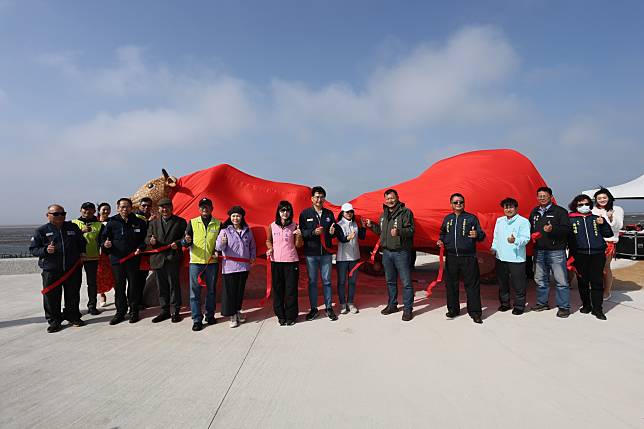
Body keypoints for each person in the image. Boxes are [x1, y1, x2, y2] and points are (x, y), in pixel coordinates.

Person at [29, 204, 86, 332]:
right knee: (52, 297)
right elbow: (33, 249)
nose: (60, 216)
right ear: (48, 215)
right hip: (51, 270)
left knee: (72, 294)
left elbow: (81, 241)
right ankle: (54, 320)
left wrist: (82, 252)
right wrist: (45, 250)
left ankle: (73, 316)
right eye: (56, 214)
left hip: (72, 269)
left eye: (62, 213)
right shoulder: (41, 231)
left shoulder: (72, 227)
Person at [365, 189, 415, 321]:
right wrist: (371, 226)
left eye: (392, 198)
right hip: (387, 253)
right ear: (385, 200)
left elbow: (411, 230)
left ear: (397, 198)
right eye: (387, 199)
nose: (390, 201)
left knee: (406, 282)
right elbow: (382, 233)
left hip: (401, 252)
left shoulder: (406, 212)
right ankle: (392, 305)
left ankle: (408, 309)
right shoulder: (383, 215)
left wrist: (399, 231)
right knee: (390, 281)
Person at [437, 193, 486, 324]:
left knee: (472, 286)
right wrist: (441, 241)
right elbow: (442, 233)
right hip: (452, 257)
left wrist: (477, 234)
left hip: (468, 257)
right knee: (451, 285)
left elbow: (482, 235)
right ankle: (453, 309)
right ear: (451, 204)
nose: (458, 204)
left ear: (464, 203)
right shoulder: (447, 219)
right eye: (455, 202)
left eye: (461, 202)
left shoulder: (471, 218)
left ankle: (475, 312)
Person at [100, 198, 148, 325]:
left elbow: (144, 240)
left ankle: (133, 312)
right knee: (119, 288)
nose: (124, 209)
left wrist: (140, 247)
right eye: (122, 207)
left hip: (133, 260)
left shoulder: (139, 222)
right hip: (118, 261)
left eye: (127, 207)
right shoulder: (111, 222)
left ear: (131, 208)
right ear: (117, 208)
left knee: (133, 287)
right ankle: (120, 313)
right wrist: (105, 244)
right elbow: (103, 239)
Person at [568, 194, 614, 320]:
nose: (584, 206)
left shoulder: (596, 218)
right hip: (580, 255)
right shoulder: (570, 219)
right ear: (575, 206)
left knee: (597, 282)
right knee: (582, 282)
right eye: (581, 204)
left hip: (597, 254)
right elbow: (564, 236)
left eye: (587, 204)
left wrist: (603, 223)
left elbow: (608, 234)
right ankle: (586, 305)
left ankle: (598, 309)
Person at [529, 186, 571, 318]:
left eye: (544, 196)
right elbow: (530, 228)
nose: (541, 198)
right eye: (539, 196)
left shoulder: (560, 211)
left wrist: (553, 229)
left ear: (550, 197)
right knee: (540, 280)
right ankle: (542, 303)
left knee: (561, 281)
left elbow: (567, 230)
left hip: (556, 251)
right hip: (539, 251)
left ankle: (564, 307)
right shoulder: (534, 212)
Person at [145, 197, 187, 324]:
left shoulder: (180, 222)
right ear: (158, 209)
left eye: (167, 207)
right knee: (161, 286)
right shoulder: (153, 223)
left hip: (172, 258)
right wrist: (150, 241)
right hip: (158, 259)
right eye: (162, 207)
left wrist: (178, 244)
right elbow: (146, 239)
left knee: (174, 285)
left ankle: (176, 311)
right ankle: (164, 311)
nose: (165, 209)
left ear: (172, 208)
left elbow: (185, 238)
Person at [299, 186, 338, 321]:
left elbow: (333, 232)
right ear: (312, 198)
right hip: (311, 254)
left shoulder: (329, 214)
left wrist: (333, 233)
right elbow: (301, 233)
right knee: (313, 282)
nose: (319, 199)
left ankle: (328, 307)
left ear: (324, 199)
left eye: (321, 197)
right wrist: (312, 233)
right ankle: (314, 309)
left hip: (326, 253)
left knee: (327, 281)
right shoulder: (305, 214)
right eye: (316, 196)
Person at [216, 206, 256, 328]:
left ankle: (238, 311)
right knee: (230, 293)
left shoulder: (247, 231)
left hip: (244, 267)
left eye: (238, 216)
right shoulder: (224, 231)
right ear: (230, 217)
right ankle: (232, 315)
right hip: (229, 267)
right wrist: (222, 242)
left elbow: (252, 246)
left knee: (239, 291)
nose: (235, 218)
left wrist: (253, 256)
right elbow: (218, 248)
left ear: (242, 217)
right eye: (233, 216)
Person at [184, 197, 220, 332]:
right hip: (196, 263)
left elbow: (220, 242)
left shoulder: (217, 223)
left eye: (207, 206)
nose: (204, 209)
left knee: (211, 291)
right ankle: (197, 319)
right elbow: (186, 242)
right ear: (199, 209)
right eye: (202, 207)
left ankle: (210, 316)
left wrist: (217, 250)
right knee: (195, 293)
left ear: (212, 208)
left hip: (212, 263)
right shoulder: (192, 223)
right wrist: (186, 241)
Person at [490, 197, 531, 315]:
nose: (508, 209)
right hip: (501, 257)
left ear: (516, 208)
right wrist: (494, 248)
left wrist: (515, 240)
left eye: (511, 207)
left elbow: (526, 238)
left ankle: (519, 305)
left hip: (516, 259)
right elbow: (496, 237)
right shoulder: (500, 221)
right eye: (506, 207)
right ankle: (504, 303)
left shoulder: (523, 221)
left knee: (519, 284)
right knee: (502, 283)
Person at [266, 201, 303, 326]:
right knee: (278, 290)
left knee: (291, 289)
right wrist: (270, 248)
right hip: (276, 262)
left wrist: (299, 236)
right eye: (282, 210)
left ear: (291, 212)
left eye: (287, 210)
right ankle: (280, 316)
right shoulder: (272, 226)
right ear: (278, 212)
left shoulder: (295, 225)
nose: (285, 213)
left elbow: (298, 245)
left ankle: (291, 316)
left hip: (291, 261)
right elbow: (268, 240)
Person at [71, 202, 103, 315]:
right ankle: (74, 308)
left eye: (90, 210)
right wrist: (81, 232)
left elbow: (103, 240)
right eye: (84, 210)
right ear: (80, 210)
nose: (87, 212)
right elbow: (69, 239)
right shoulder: (73, 223)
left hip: (93, 257)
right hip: (77, 258)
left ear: (94, 211)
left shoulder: (99, 224)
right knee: (75, 284)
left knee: (92, 283)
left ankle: (92, 305)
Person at [592, 188, 624, 300]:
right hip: (594, 242)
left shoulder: (616, 209)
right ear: (595, 199)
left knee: (605, 268)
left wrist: (610, 218)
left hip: (608, 242)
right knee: (594, 268)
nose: (602, 200)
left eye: (604, 197)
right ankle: (596, 289)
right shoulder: (593, 210)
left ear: (609, 198)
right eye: (599, 198)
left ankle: (607, 292)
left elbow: (619, 227)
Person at [334, 203, 366, 314]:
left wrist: (363, 227)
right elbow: (341, 239)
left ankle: (351, 303)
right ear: (342, 213)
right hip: (342, 258)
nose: (349, 214)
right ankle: (343, 304)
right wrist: (349, 237)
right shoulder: (338, 225)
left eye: (351, 211)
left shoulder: (355, 224)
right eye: (347, 212)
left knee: (352, 282)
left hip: (354, 258)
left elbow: (362, 237)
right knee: (342, 282)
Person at [134, 197, 153, 310]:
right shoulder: (135, 218)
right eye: (144, 205)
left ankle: (139, 301)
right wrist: (148, 222)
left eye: (148, 205)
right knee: (134, 279)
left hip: (146, 254)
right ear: (139, 206)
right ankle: (133, 302)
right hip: (136, 254)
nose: (146, 208)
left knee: (142, 279)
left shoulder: (152, 217)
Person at [96, 203, 114, 307]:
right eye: (104, 209)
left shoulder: (113, 221)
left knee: (114, 272)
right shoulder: (94, 222)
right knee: (99, 274)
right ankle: (102, 294)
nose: (106, 211)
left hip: (112, 251)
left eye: (108, 209)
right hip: (98, 252)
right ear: (99, 210)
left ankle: (118, 294)